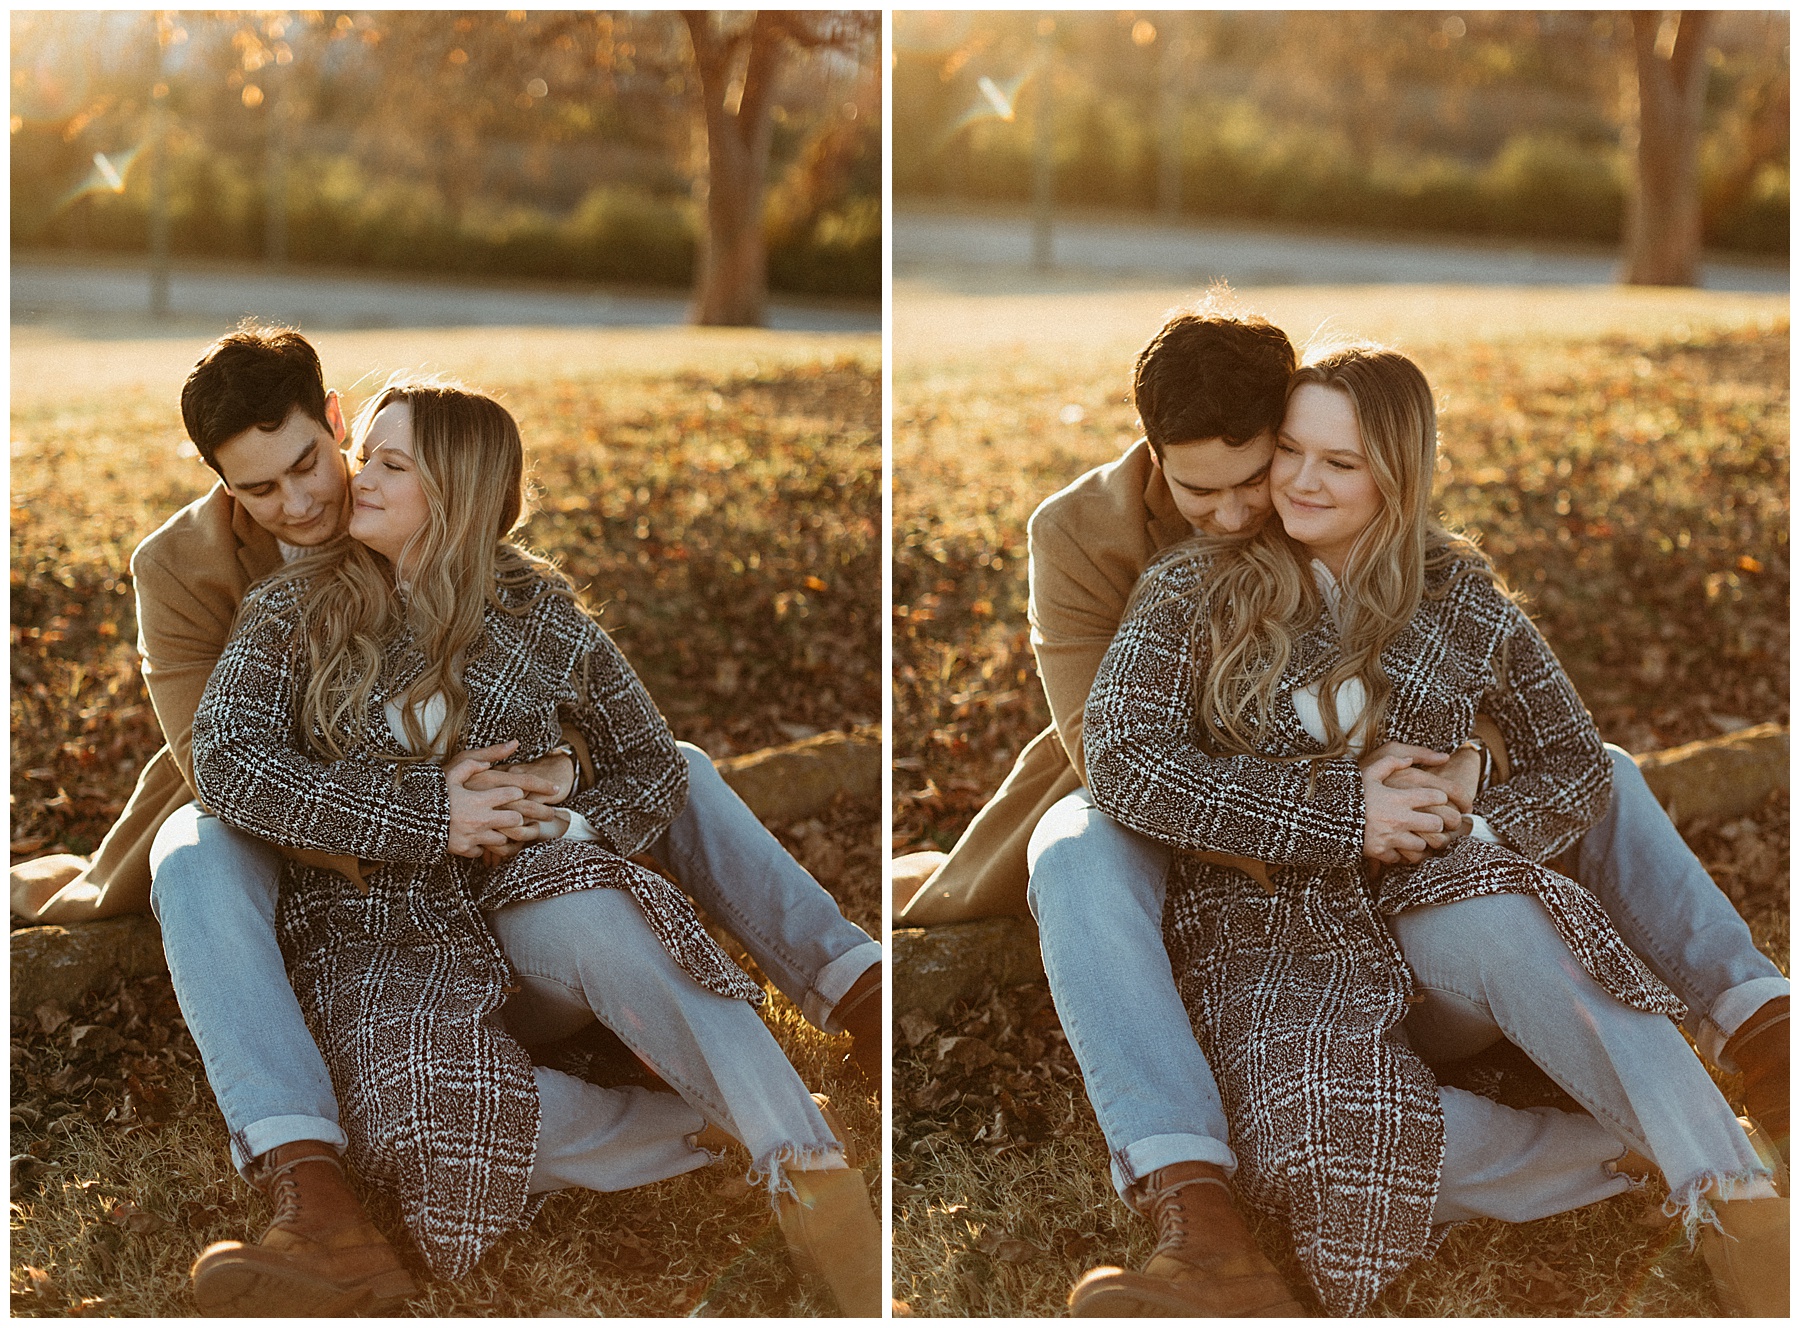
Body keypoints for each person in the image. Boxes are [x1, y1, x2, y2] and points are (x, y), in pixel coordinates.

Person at [894, 298, 1788, 1314]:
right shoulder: (1181, 584)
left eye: (1328, 461)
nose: (1261, 502)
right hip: (1258, 913)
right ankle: (1657, 1141)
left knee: (1502, 898)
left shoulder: (1457, 592)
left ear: (1392, 474)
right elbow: (1121, 759)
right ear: (1160, 457)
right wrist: (1339, 812)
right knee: (1324, 1146)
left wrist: (1469, 799)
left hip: (1431, 913)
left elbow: (1577, 758)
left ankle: (1748, 1162)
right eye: (1287, 459)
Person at [11, 325, 882, 1314]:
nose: (303, 502)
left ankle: (847, 1029)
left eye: (317, 463)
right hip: (353, 900)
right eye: (260, 489)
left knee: (630, 841)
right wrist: (429, 811)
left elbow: (623, 743)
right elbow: (222, 766)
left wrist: (559, 796)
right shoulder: (250, 597)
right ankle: (316, 1182)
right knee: (204, 863)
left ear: (335, 420)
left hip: (520, 898)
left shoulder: (521, 596)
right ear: (219, 481)